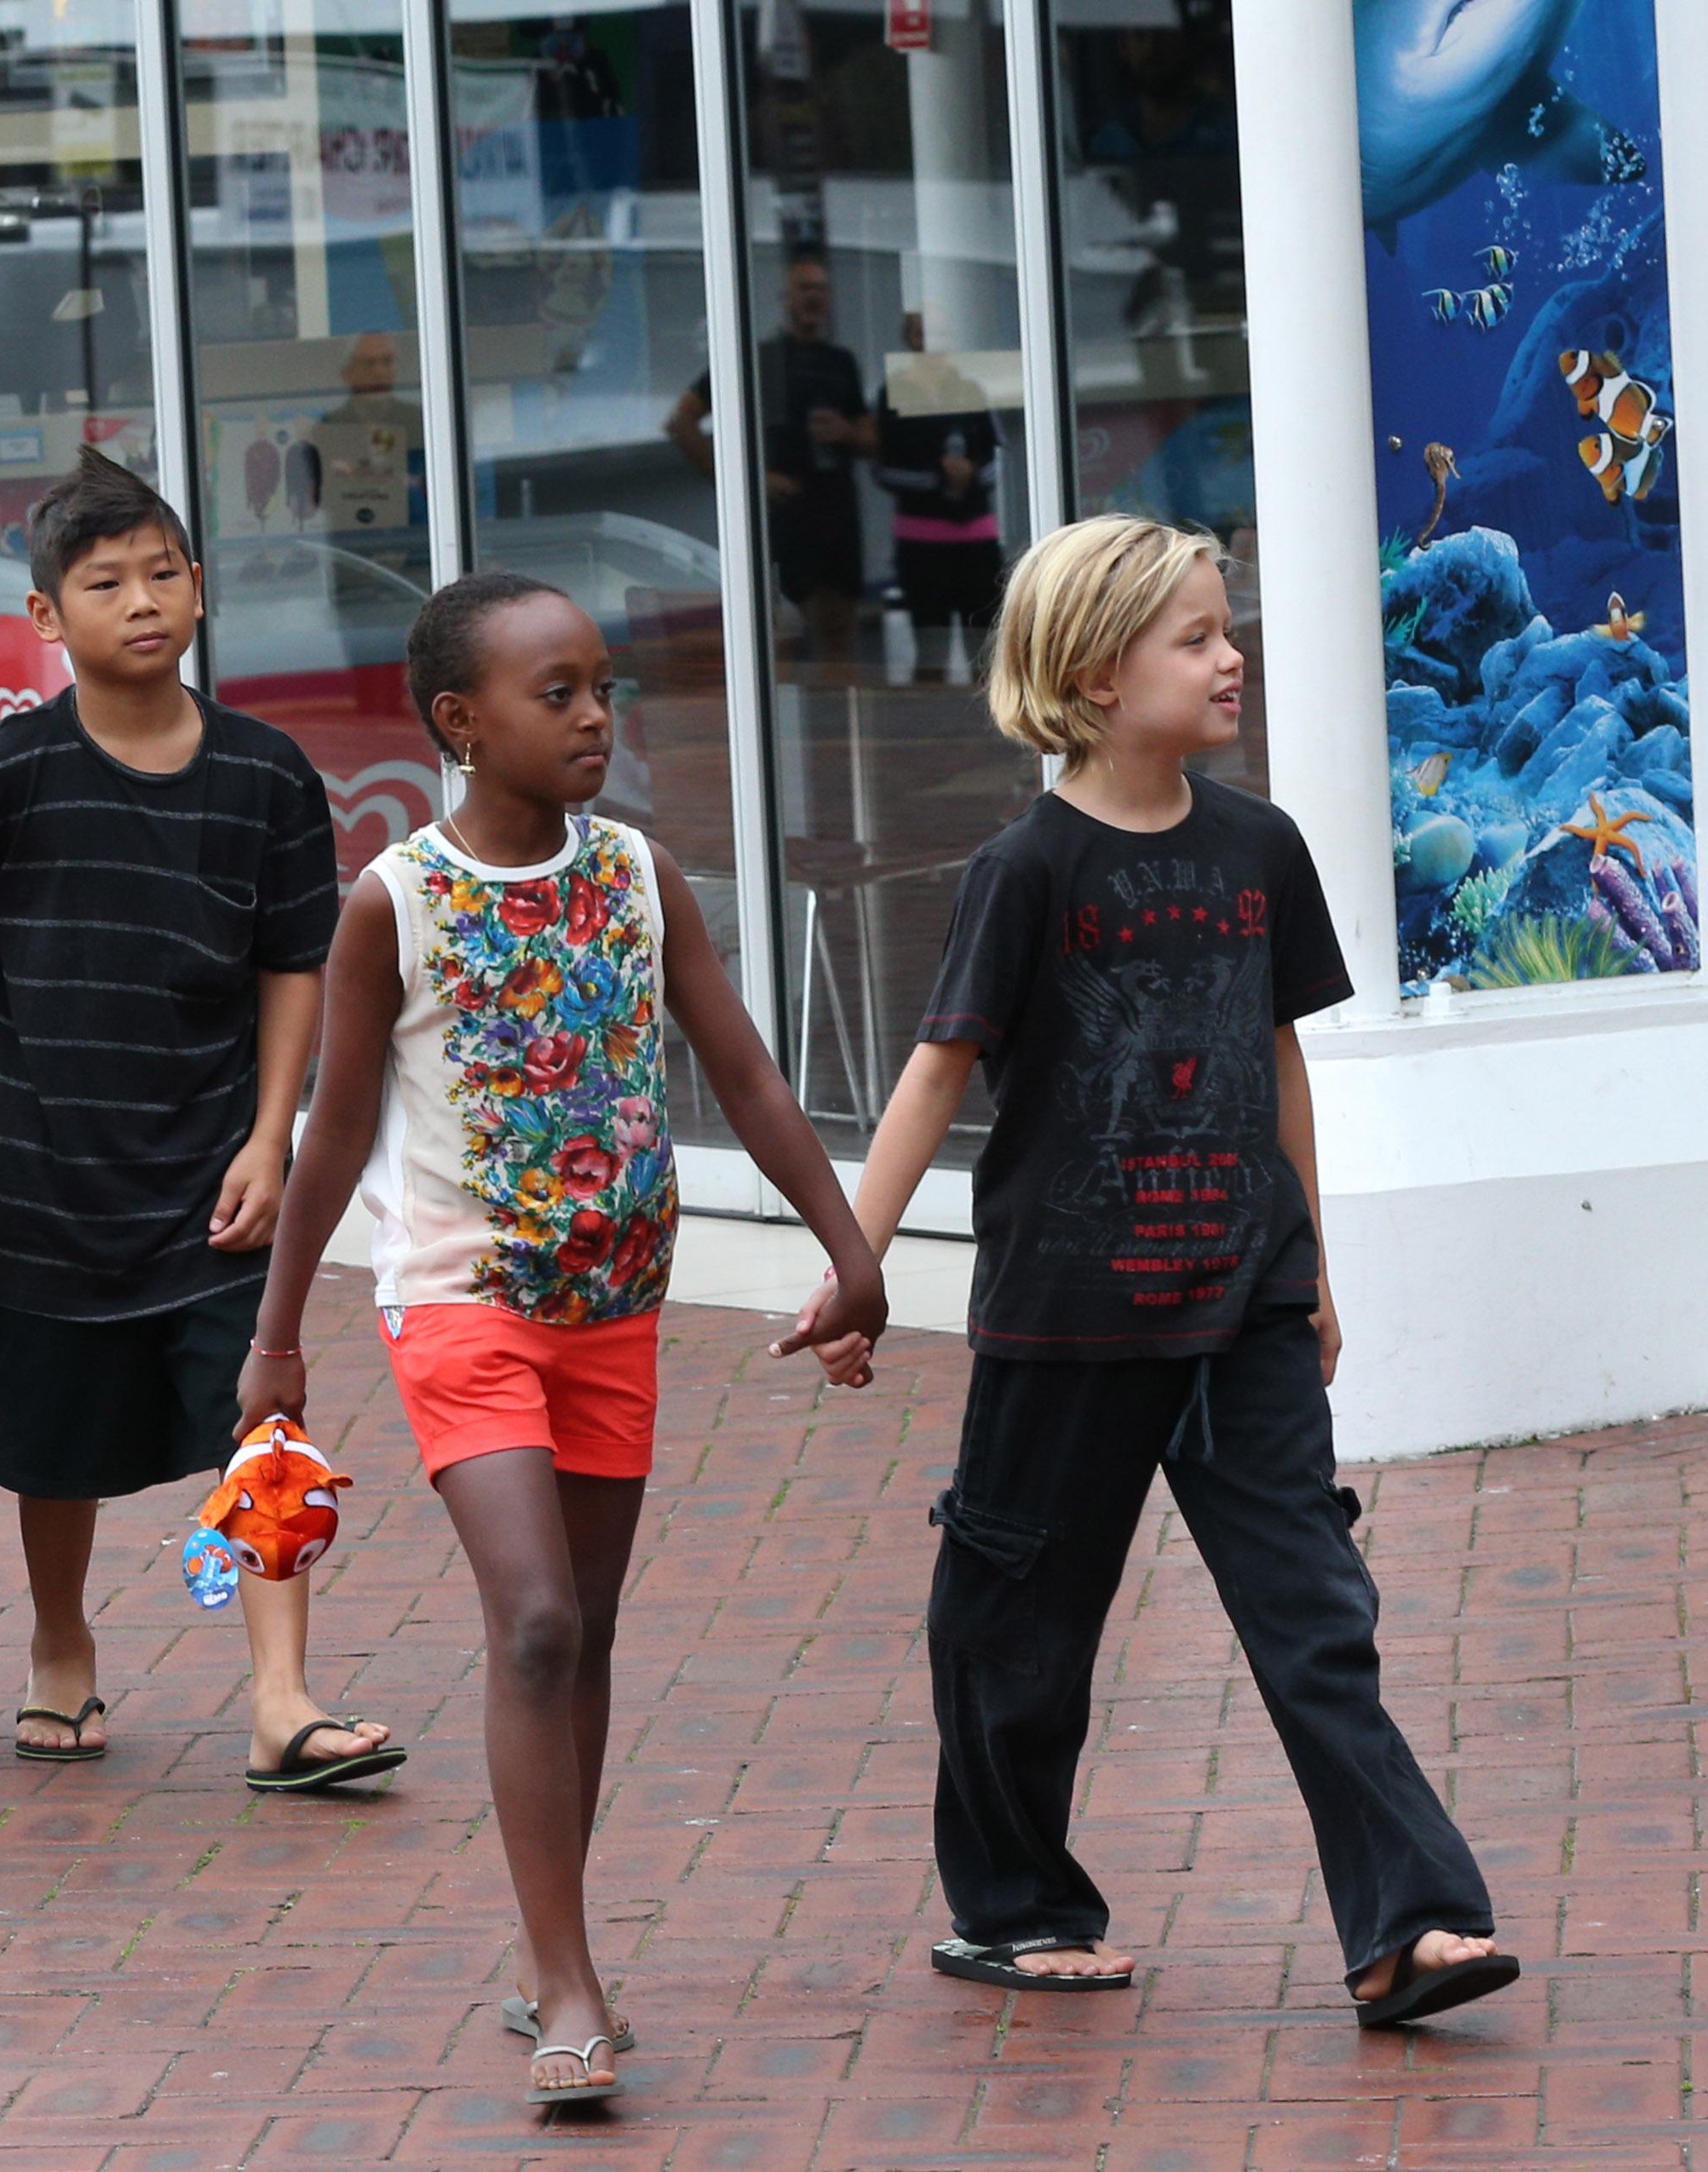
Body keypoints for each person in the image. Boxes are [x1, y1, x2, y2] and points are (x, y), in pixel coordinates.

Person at [791, 516, 1516, 2027]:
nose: (1229, 654)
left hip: (1242, 1302)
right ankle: (1014, 1908)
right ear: (1094, 674)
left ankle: (1412, 1927)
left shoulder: (1259, 847)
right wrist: (855, 1266)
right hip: (1066, 1319)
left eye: (1224, 625)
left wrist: (1308, 1259)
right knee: (1015, 1631)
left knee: (1318, 1612)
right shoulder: (1027, 866)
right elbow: (934, 1076)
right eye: (1194, 636)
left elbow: (1281, 1065)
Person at [236, 571, 887, 2104]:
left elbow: (743, 1073)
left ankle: (556, 1947)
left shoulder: (644, 876)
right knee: (532, 1618)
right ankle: (568, 1977)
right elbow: (334, 1141)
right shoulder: (392, 902)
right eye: (559, 693)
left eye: (604, 688)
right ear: (460, 724)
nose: (595, 715)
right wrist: (278, 1339)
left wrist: (852, 1252)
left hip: (615, 1305)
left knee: (583, 1634)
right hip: (459, 1302)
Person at [0, 445, 395, 1787]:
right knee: (50, 1448)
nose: (141, 599)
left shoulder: (270, 774)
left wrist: (269, 1136)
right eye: (104, 582)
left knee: (263, 1417)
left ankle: (282, 1696)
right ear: (47, 618)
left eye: (163, 572)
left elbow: (297, 961)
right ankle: (60, 1643)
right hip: (51, 1172)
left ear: (203, 590)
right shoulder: (6, 771)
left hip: (214, 1174)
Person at [664, 252, 872, 664]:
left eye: (821, 289)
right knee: (779, 640)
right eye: (805, 288)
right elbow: (680, 421)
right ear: (785, 298)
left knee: (838, 634)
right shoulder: (760, 358)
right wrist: (741, 483)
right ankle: (781, 726)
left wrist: (847, 432)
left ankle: (839, 726)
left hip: (836, 515)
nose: (814, 296)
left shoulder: (840, 361)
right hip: (782, 519)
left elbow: (872, 438)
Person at [873, 313, 1005, 685]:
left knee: (986, 653)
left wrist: (972, 476)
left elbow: (998, 458)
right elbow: (882, 469)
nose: (931, 342)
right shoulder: (894, 392)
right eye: (921, 333)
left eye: (940, 333)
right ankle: (930, 730)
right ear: (909, 341)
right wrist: (937, 477)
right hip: (921, 542)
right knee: (930, 653)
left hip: (977, 540)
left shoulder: (971, 390)